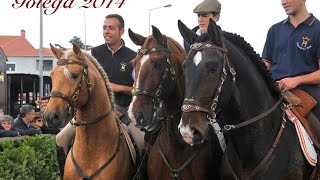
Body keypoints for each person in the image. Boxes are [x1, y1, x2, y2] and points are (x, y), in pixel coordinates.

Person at [262, 0, 320, 119]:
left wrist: (297, 80)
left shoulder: (317, 29)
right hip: (275, 90)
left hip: (307, 91)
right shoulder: (274, 30)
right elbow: (266, 64)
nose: (283, 2)